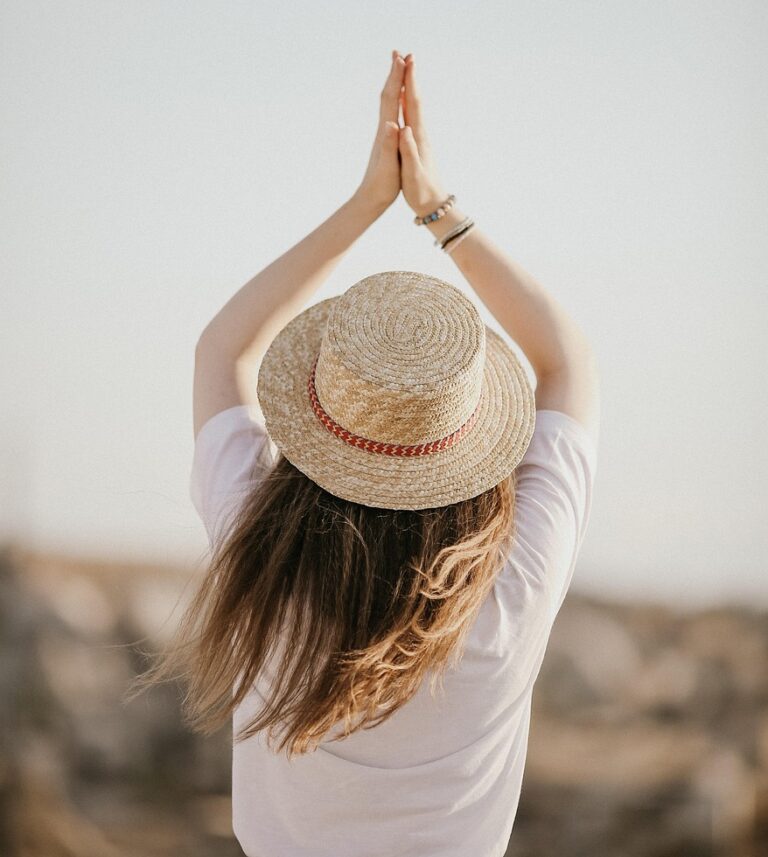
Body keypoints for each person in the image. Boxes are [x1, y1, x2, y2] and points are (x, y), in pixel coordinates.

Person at [132, 49, 600, 857]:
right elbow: (566, 362)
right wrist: (435, 207)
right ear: (469, 448)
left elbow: (221, 350)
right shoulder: (507, 593)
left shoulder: (261, 560)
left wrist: (366, 202)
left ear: (323, 423)